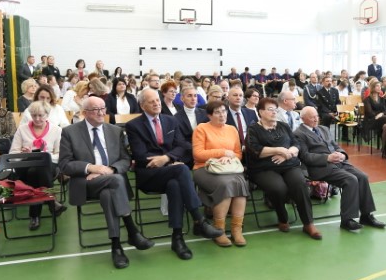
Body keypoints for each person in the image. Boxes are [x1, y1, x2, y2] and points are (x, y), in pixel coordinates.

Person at [125, 89, 223, 260]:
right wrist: (169, 161)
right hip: (149, 174)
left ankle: (177, 238)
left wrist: (167, 158)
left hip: (170, 171)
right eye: (151, 101)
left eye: (157, 100)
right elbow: (140, 156)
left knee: (175, 185)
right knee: (182, 170)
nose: (156, 103)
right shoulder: (133, 126)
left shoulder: (170, 120)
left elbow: (181, 146)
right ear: (142, 105)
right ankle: (199, 220)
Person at [59, 96, 154, 268]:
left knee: (108, 193)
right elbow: (65, 165)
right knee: (116, 181)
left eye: (103, 108)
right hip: (86, 182)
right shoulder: (70, 132)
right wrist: (91, 168)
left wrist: (109, 170)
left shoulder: (115, 131)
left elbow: (126, 160)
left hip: (110, 181)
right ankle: (132, 231)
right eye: (96, 109)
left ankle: (116, 246)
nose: (101, 112)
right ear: (85, 113)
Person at [296, 106, 386, 231]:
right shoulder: (298, 134)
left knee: (363, 177)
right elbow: (305, 157)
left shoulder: (323, 129)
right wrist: (327, 158)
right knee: (350, 180)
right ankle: (347, 220)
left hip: (339, 162)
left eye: (317, 116)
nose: (316, 119)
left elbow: (335, 145)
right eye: (312, 117)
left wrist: (342, 154)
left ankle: (366, 215)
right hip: (321, 167)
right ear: (303, 118)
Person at [246, 97, 321, 240]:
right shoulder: (253, 129)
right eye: (270, 109)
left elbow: (296, 143)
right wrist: (279, 150)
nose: (274, 112)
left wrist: (288, 154)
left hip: (288, 164)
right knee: (278, 188)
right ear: (261, 112)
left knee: (300, 184)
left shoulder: (283, 126)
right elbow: (255, 150)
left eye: (275, 109)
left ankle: (308, 223)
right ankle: (282, 217)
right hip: (263, 168)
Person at [192, 101, 250, 247]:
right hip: (204, 168)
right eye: (217, 112)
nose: (222, 115)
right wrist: (222, 153)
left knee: (241, 182)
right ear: (209, 115)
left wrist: (229, 157)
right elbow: (198, 154)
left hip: (228, 168)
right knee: (225, 184)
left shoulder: (232, 129)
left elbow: (238, 154)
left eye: (224, 111)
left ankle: (237, 229)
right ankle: (219, 230)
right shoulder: (201, 128)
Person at [10, 100, 66, 230]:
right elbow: (12, 154)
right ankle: (51, 201)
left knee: (37, 170)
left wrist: (45, 155)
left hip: (48, 167)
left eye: (40, 115)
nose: (37, 119)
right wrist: (23, 154)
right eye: (34, 115)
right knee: (36, 169)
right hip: (24, 167)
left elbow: (60, 155)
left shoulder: (56, 130)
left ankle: (35, 216)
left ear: (47, 115)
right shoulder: (22, 129)